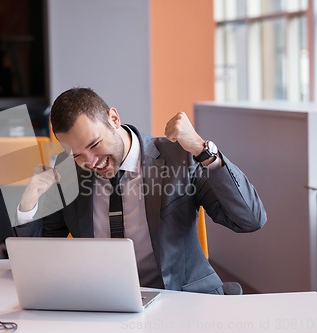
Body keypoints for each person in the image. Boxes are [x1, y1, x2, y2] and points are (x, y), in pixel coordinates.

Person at [14, 87, 267, 294]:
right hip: (101, 305)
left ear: (114, 118)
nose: (90, 162)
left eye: (95, 144)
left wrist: (204, 152)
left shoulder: (179, 157)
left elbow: (249, 220)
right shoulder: (68, 172)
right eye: (78, 154)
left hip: (180, 301)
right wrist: (28, 208)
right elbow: (42, 258)